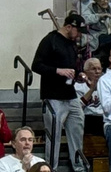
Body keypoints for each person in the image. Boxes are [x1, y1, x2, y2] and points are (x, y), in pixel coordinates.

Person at [31, 12, 87, 172]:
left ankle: (79, 166)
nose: (78, 36)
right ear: (69, 27)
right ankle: (50, 168)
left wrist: (80, 74)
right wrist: (58, 71)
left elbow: (72, 66)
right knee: (53, 136)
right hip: (53, 96)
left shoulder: (71, 43)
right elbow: (36, 65)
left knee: (77, 128)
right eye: (77, 31)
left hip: (70, 94)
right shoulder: (50, 40)